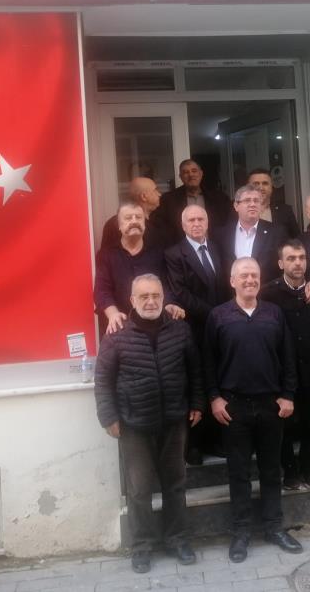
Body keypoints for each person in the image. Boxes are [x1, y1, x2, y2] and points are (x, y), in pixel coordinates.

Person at [94, 274, 205, 574]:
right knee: (139, 489)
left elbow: (194, 370)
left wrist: (197, 403)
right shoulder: (117, 334)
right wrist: (109, 417)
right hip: (134, 425)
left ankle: (178, 540)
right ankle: (142, 546)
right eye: (144, 296)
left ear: (163, 297)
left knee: (175, 484)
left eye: (156, 295)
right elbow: (103, 380)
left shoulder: (180, 330)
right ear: (132, 300)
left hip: (174, 420)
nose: (151, 301)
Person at [202, 257, 303, 563]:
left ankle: (274, 527)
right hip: (234, 407)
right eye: (243, 275)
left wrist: (287, 395)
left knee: (272, 470)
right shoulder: (218, 316)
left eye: (254, 275)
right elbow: (208, 362)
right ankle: (241, 533)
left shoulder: (274, 313)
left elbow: (288, 357)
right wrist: (214, 398)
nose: (250, 280)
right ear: (232, 281)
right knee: (239, 473)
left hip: (271, 405)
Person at [261, 240, 310, 490]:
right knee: (284, 424)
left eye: (301, 258)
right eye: (291, 258)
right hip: (280, 374)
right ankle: (289, 469)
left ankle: (307, 466)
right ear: (281, 263)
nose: (297, 263)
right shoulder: (267, 295)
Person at [164, 204, 228, 464]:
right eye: (191, 220)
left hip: (220, 327)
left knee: (217, 378)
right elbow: (181, 294)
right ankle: (194, 445)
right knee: (196, 382)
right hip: (194, 328)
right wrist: (215, 314)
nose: (197, 223)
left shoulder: (216, 248)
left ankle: (215, 439)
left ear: (207, 222)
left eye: (201, 219)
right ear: (183, 225)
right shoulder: (174, 253)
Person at [216, 185, 310, 302]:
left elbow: (295, 254)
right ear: (236, 206)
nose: (252, 204)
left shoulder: (276, 232)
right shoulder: (222, 235)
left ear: (261, 206)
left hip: (267, 300)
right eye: (247, 200)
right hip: (230, 302)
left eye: (256, 201)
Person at [94, 202, 184, 334]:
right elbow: (102, 291)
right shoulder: (106, 255)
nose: (134, 221)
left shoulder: (158, 253)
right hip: (120, 327)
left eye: (138, 217)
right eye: (128, 218)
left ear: (144, 224)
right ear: (119, 225)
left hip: (154, 325)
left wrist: (170, 304)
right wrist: (113, 314)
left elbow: (166, 285)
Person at [160, 159, 232, 243]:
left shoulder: (219, 198)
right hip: (182, 249)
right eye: (186, 172)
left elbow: (228, 224)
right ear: (181, 177)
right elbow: (164, 229)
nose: (191, 175)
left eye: (194, 171)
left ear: (201, 174)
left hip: (214, 247)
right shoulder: (169, 200)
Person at [101, 177, 171, 250]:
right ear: (144, 197)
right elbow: (106, 254)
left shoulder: (159, 221)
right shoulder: (114, 224)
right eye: (155, 190)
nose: (159, 194)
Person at [247, 168, 300, 238]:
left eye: (265, 183)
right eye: (256, 184)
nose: (261, 188)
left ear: (271, 186)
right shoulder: (237, 211)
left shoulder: (285, 211)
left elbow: (296, 239)